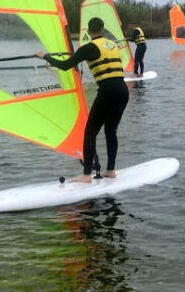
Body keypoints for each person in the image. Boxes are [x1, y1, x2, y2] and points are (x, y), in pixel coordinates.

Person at [37, 17, 129, 183]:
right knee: (110, 131)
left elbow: (65, 66)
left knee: (90, 133)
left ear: (88, 31)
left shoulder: (88, 48)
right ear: (102, 29)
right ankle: (110, 170)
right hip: (123, 91)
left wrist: (46, 56)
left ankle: (87, 175)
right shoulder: (112, 45)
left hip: (107, 91)